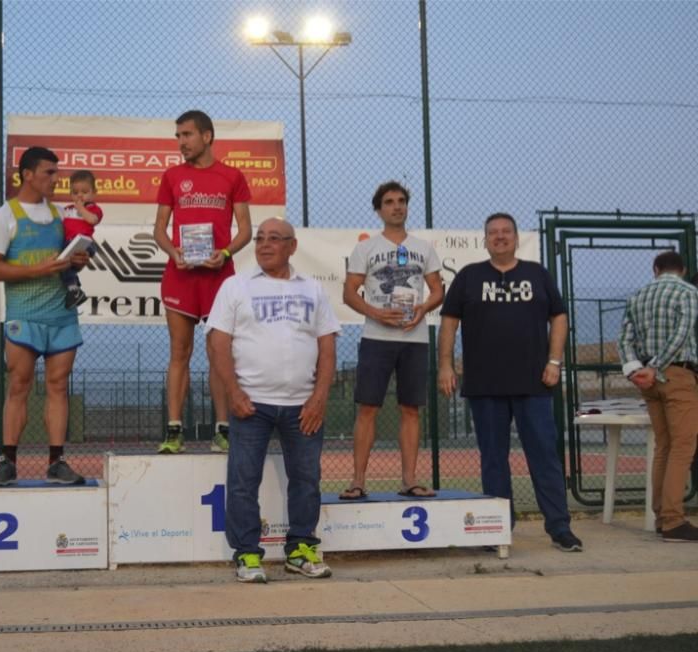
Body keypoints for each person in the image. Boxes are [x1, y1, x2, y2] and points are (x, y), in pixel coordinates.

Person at [438, 212, 583, 553]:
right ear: (485, 239)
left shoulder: (537, 274)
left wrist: (554, 360)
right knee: (493, 459)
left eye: (506, 232)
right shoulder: (469, 277)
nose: (500, 237)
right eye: (493, 233)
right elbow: (448, 322)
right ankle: (499, 528)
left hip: (534, 384)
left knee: (544, 456)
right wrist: (445, 364)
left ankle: (560, 528)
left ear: (516, 238)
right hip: (485, 385)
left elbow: (559, 316)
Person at [207, 218, 340, 583]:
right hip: (252, 405)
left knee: (307, 480)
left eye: (275, 239)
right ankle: (248, 555)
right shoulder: (235, 287)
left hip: (303, 408)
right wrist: (234, 392)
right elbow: (217, 344)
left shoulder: (312, 289)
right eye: (260, 238)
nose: (265, 245)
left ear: (292, 247)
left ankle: (300, 550)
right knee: (242, 482)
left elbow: (327, 347)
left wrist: (319, 398)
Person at [0, 146, 91, 487]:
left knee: (58, 386)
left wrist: (76, 260)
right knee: (19, 386)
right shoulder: (5, 216)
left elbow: (68, 255)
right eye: (49, 172)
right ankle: (7, 462)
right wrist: (39, 268)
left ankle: (57, 462)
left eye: (56, 173)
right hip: (24, 315)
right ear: (27, 174)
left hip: (62, 314)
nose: (56, 179)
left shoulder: (61, 214)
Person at [153, 109, 252, 454]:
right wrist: (174, 251)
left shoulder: (232, 176)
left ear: (207, 136)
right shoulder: (172, 177)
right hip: (181, 276)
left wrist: (223, 254)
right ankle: (174, 431)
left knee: (218, 353)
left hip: (218, 279)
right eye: (178, 136)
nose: (181, 142)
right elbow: (159, 230)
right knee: (179, 352)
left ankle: (223, 430)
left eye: (187, 135)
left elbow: (246, 230)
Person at [340, 181, 443, 501]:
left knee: (410, 409)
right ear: (379, 209)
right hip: (377, 337)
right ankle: (358, 481)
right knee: (368, 408)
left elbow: (438, 290)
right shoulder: (366, 248)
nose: (396, 206)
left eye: (401, 201)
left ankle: (409, 480)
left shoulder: (424, 248)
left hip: (414, 338)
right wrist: (376, 313)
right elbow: (348, 292)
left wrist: (423, 308)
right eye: (389, 202)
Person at [617, 250, 698, 542]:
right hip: (677, 374)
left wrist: (636, 370)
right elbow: (681, 334)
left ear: (656, 269)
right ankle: (674, 520)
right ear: (683, 269)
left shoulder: (637, 296)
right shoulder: (687, 293)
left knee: (664, 446)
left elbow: (624, 339)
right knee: (682, 446)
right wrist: (657, 366)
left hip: (648, 381)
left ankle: (662, 516)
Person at [60, 169, 103, 309]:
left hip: (85, 243)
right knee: (64, 265)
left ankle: (74, 289)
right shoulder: (66, 210)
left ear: (93, 192)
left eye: (84, 192)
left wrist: (81, 208)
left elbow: (92, 220)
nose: (80, 196)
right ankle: (74, 290)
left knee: (67, 263)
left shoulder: (94, 209)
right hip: (68, 243)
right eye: (75, 192)